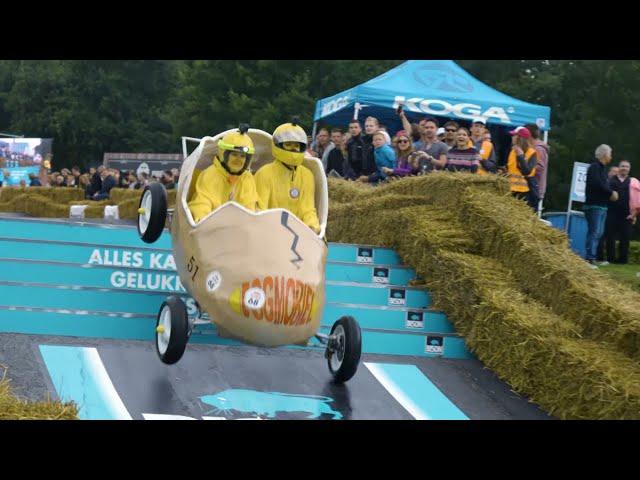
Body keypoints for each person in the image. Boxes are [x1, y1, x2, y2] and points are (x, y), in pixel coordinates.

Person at [254, 119, 320, 234]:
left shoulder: (307, 175)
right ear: (278, 145)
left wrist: (313, 227)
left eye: (296, 145)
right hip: (269, 233)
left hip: (297, 236)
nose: (293, 148)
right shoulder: (264, 173)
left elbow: (308, 209)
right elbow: (259, 209)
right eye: (288, 144)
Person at [188, 125, 260, 222]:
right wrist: (203, 220)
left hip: (239, 230)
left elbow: (249, 206)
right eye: (234, 154)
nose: (238, 159)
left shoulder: (247, 177)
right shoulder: (210, 174)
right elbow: (202, 202)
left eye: (242, 156)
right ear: (224, 154)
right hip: (212, 229)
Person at [584, 144, 617, 266]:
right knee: (594, 232)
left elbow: (604, 185)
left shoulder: (602, 169)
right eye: (610, 153)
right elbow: (597, 184)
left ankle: (593, 257)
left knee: (599, 232)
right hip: (594, 205)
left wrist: (610, 194)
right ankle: (589, 258)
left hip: (602, 205)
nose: (611, 156)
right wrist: (611, 192)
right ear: (604, 154)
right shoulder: (594, 167)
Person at [605, 160, 634, 264]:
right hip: (611, 212)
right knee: (610, 236)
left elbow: (637, 199)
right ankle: (610, 259)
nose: (624, 168)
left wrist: (634, 213)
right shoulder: (611, 180)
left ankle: (622, 260)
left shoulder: (632, 182)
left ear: (629, 169)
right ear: (619, 167)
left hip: (627, 214)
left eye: (627, 166)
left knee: (625, 237)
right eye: (622, 166)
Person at [506, 126, 538, 210]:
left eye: (514, 135)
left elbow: (526, 171)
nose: (512, 137)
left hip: (525, 192)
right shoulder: (512, 151)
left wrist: (520, 156)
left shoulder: (532, 153)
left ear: (519, 138)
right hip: (511, 190)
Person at [525, 123, 550, 211]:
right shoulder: (533, 148)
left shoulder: (538, 149)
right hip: (531, 188)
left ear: (529, 134)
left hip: (534, 189)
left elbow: (539, 168)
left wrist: (523, 167)